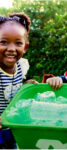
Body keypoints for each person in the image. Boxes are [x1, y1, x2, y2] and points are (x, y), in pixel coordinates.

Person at [0, 13, 37, 149]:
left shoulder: (21, 66)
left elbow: (13, 89)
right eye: (3, 42)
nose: (11, 49)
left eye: (18, 43)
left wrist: (24, 87)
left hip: (12, 127)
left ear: (25, 47)